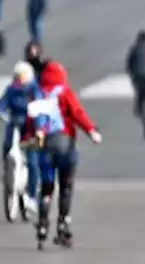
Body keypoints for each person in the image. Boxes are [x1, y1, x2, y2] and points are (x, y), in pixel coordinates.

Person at [30, 61, 102, 248]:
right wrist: (91, 131)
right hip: (65, 144)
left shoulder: (39, 94)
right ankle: (63, 225)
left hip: (45, 146)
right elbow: (77, 113)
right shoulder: (64, 93)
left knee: (46, 187)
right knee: (65, 187)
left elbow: (31, 120)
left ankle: (43, 224)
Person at [0, 61, 44, 216]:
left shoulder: (34, 90)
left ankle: (33, 197)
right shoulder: (11, 90)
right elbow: (2, 103)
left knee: (33, 163)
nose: (18, 79)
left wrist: (39, 127)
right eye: (16, 76)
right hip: (14, 127)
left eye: (20, 76)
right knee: (7, 149)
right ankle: (9, 177)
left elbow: (39, 108)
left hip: (29, 129)